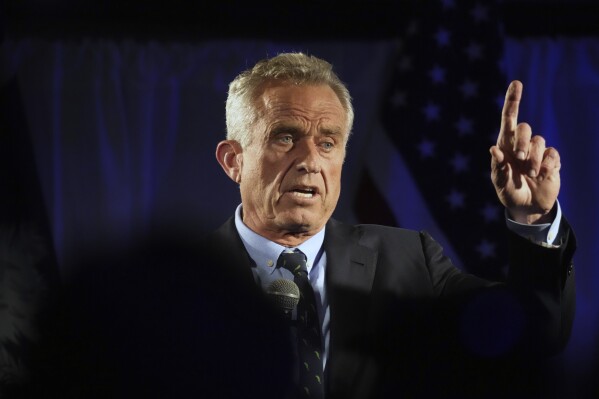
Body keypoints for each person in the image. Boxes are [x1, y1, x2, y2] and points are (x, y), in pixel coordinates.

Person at [210, 52, 576, 398]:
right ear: (233, 161)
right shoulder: (189, 281)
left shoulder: (409, 260)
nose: (310, 160)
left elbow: (533, 331)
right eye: (286, 137)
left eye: (327, 143)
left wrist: (533, 219)